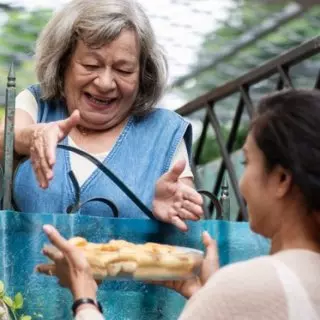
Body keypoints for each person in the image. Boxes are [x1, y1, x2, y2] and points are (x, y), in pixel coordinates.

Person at [38, 89, 320, 319]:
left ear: (282, 179)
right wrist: (205, 297)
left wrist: (85, 298)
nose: (243, 181)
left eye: (247, 162)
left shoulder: (249, 285)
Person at [0, 0, 203, 231]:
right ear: (63, 63)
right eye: (91, 65)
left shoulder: (165, 132)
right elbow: (6, 137)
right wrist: (32, 136)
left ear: (143, 74)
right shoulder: (37, 104)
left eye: (123, 70)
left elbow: (189, 230)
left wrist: (168, 215)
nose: (105, 83)